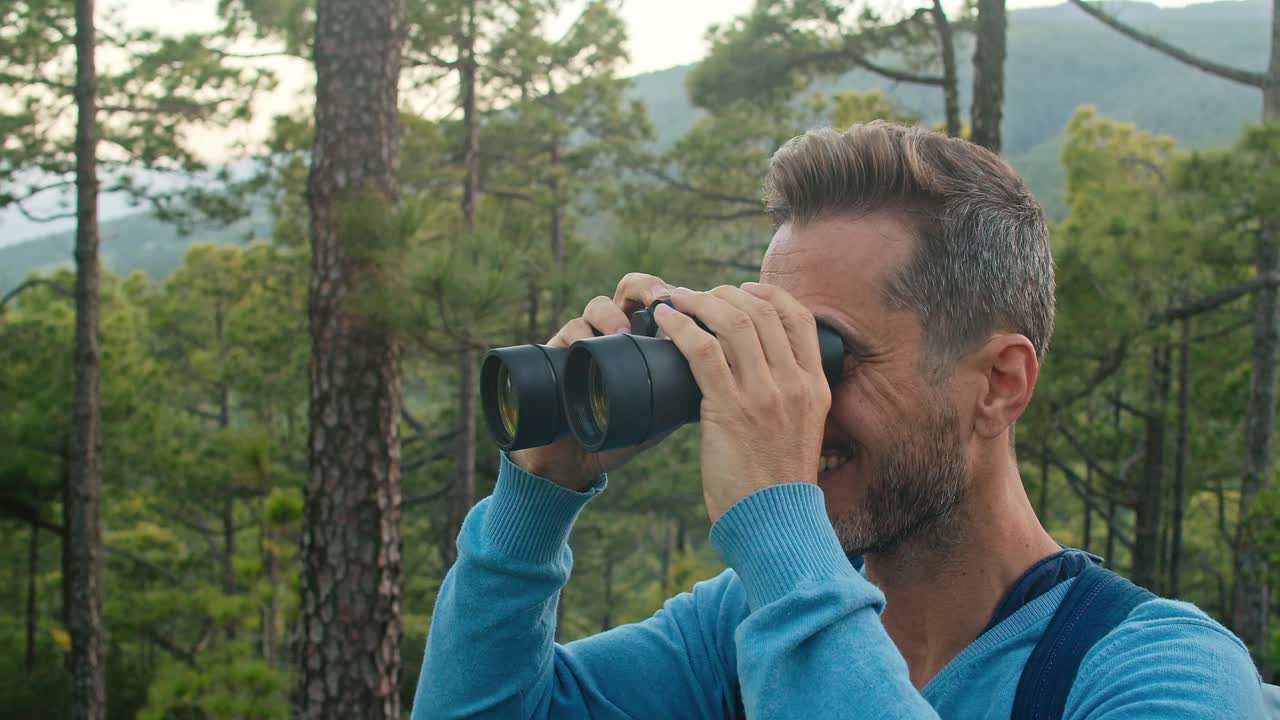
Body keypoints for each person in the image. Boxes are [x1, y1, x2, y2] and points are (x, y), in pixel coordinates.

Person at [411, 122, 1265, 719]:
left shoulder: (1157, 676)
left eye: (824, 355)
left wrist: (781, 536)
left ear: (1000, 384)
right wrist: (535, 500)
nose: (794, 402)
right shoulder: (747, 625)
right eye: (774, 347)